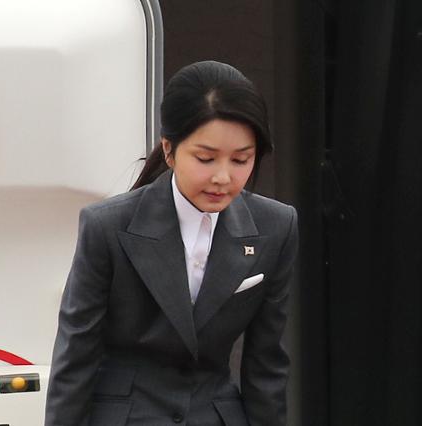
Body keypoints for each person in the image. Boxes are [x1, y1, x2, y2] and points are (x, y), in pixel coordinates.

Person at [45, 61, 298, 426]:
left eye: (241, 159)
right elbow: (76, 357)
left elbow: (267, 365)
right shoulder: (107, 225)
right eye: (205, 158)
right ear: (169, 149)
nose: (223, 177)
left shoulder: (277, 226)